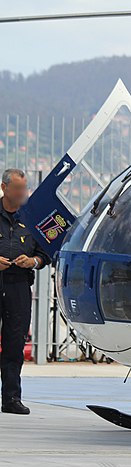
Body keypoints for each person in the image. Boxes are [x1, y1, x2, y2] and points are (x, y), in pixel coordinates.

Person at [0, 169, 50, 415]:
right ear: (4, 187)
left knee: (14, 342)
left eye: (24, 189)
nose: (22, 193)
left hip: (18, 285)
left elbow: (45, 253)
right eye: (18, 189)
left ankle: (11, 398)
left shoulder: (31, 218)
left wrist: (33, 262)